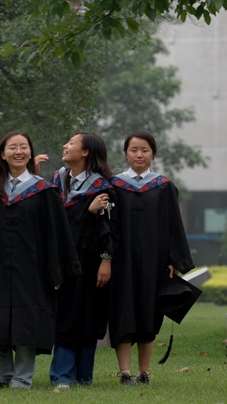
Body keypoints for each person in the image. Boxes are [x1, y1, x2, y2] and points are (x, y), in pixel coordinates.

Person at [0, 131, 80, 390]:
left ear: (30, 153)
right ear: (3, 154)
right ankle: (2, 374)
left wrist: (56, 269)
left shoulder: (44, 190)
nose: (18, 151)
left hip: (32, 268)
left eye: (24, 147)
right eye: (12, 147)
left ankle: (23, 378)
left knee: (27, 321)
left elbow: (56, 233)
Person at [108, 131, 195, 385]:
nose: (139, 155)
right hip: (121, 261)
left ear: (153, 154)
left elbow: (173, 225)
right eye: (134, 150)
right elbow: (108, 226)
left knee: (149, 313)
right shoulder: (114, 186)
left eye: (144, 150)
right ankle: (124, 372)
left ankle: (144, 371)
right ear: (126, 153)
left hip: (154, 261)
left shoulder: (164, 186)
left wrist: (174, 259)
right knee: (122, 313)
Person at [45, 132, 118, 389]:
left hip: (90, 261)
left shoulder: (103, 186)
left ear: (85, 152)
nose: (65, 146)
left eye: (72, 143)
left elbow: (108, 228)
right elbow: (52, 220)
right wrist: (86, 210)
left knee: (88, 315)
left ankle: (84, 376)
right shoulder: (57, 180)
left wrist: (106, 260)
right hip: (62, 259)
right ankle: (62, 375)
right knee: (64, 314)